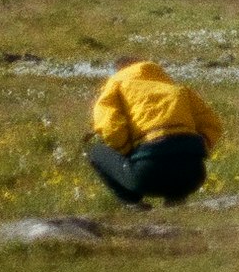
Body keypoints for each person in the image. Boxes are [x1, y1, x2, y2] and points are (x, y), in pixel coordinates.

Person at [86, 56, 224, 206]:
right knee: (176, 159)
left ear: (117, 72)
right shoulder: (178, 89)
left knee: (96, 152)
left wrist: (127, 152)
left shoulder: (116, 86)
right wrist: (196, 150)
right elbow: (213, 125)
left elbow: (110, 127)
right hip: (193, 175)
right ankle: (176, 200)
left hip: (148, 174)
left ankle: (133, 204)